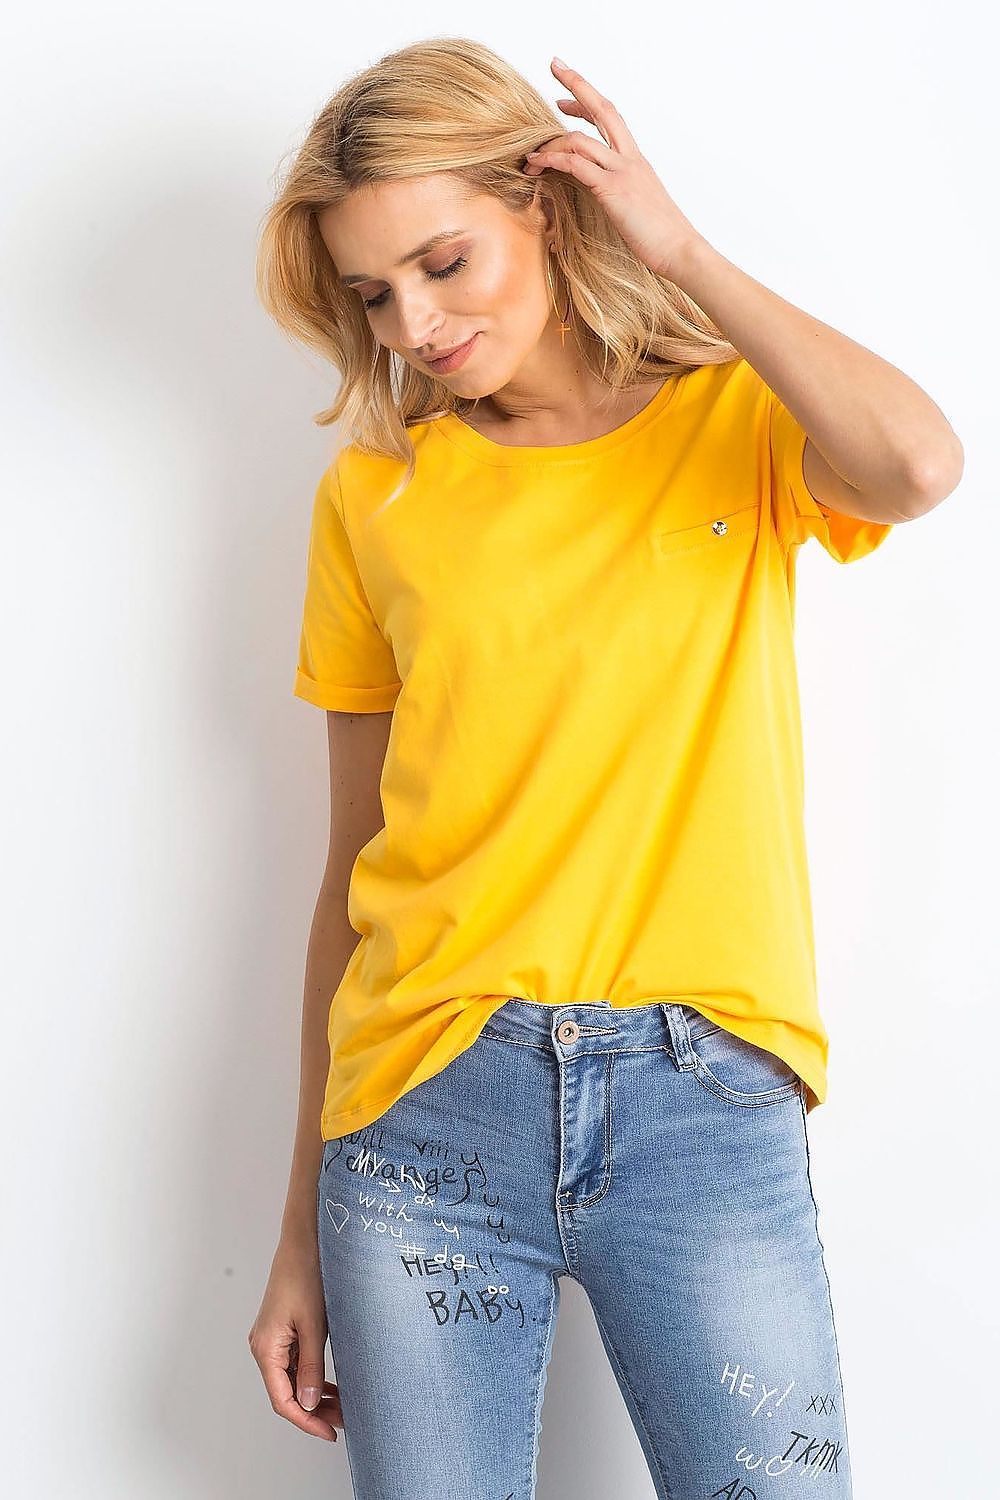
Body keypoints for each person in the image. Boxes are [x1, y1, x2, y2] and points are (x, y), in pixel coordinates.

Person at [247, 37, 963, 1500]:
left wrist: (677, 247)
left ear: (550, 209)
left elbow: (918, 466)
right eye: (375, 294)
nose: (416, 322)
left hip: (703, 1100)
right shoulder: (377, 494)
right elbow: (350, 868)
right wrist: (298, 1235)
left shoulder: (734, 427)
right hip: (425, 1106)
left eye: (444, 261)